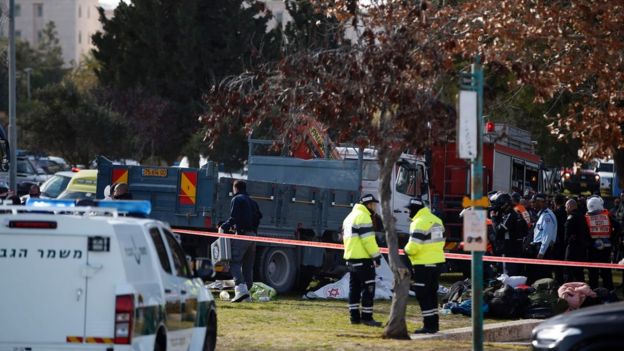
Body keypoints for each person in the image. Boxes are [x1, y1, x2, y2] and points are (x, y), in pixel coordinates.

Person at [404, 196, 445, 334]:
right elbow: (439, 243)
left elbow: (414, 247)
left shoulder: (419, 223)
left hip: (423, 264)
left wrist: (406, 250)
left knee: (422, 294)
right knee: (432, 294)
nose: (408, 213)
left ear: (415, 210)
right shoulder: (436, 220)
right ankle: (434, 324)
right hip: (436, 263)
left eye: (409, 210)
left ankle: (428, 325)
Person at [342, 194, 382, 327]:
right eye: (374, 204)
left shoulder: (349, 217)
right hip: (363, 259)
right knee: (368, 288)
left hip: (351, 258)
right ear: (368, 204)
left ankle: (354, 317)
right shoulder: (363, 216)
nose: (375, 207)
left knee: (354, 289)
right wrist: (376, 255)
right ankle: (367, 317)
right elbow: (368, 240)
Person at [219, 180, 260, 303]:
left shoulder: (237, 199)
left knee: (234, 262)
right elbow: (258, 217)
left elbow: (234, 217)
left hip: (242, 235)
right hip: (253, 236)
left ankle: (241, 290)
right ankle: (247, 293)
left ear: (235, 188)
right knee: (248, 265)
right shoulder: (253, 202)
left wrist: (224, 227)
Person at [585, 196, 619, 290]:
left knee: (593, 274)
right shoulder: (608, 216)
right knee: (606, 273)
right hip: (606, 249)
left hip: (593, 250)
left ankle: (593, 294)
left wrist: (590, 242)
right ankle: (609, 292)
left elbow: (584, 233)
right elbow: (618, 227)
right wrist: (611, 239)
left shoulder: (586, 218)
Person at [491, 193, 527, 276]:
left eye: (499, 205)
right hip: (517, 249)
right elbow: (525, 230)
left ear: (504, 204)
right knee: (515, 274)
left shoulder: (510, 215)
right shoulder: (517, 213)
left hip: (509, 251)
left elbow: (498, 231)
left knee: (508, 275)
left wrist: (494, 218)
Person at [527, 193, 557, 283]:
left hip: (543, 249)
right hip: (538, 247)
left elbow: (547, 236)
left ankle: (546, 295)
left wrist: (541, 252)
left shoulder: (547, 216)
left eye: (534, 202)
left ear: (541, 202)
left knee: (543, 275)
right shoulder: (542, 214)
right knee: (538, 275)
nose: (532, 204)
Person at [563, 199, 590, 282]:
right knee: (579, 272)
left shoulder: (571, 217)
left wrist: (565, 242)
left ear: (570, 206)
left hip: (572, 249)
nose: (565, 209)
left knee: (568, 271)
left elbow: (567, 234)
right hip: (582, 249)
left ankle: (568, 289)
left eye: (566, 207)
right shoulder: (582, 216)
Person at [552, 194, 568, 284]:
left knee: (557, 265)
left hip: (557, 241)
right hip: (566, 241)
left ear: (554, 202)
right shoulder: (567, 213)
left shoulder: (554, 214)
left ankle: (559, 282)